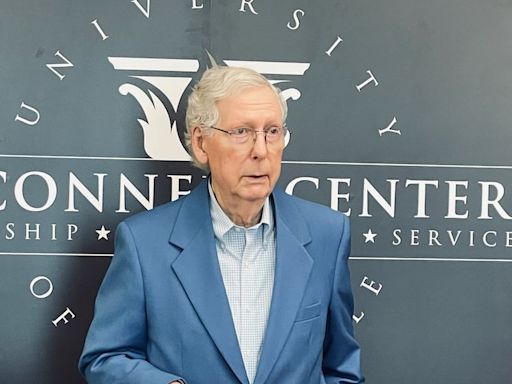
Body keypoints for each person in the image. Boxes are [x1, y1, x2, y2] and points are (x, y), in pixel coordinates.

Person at [79, 65, 364, 384]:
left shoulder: (327, 233)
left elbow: (342, 368)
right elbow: (105, 358)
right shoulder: (144, 242)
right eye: (241, 132)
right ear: (201, 143)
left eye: (272, 131)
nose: (261, 150)